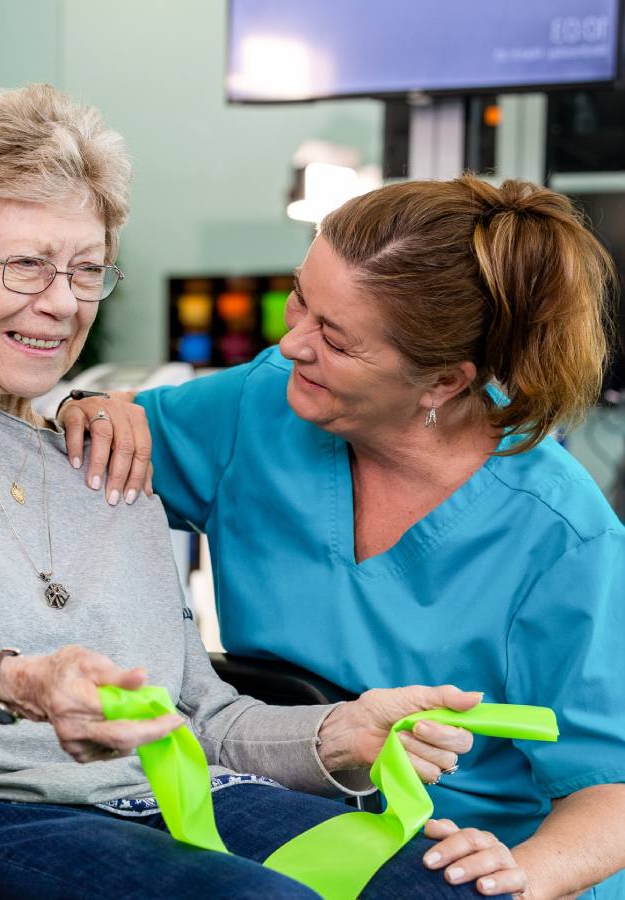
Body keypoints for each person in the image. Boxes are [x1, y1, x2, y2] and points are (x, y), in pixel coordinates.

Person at [0, 83, 491, 900]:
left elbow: (201, 721)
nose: (62, 303)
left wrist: (338, 731)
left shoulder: (109, 453)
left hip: (169, 797)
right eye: (26, 263)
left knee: (443, 888)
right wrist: (7, 681)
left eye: (87, 270)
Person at [59, 175, 625, 898]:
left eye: (336, 338)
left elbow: (612, 792)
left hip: (462, 856)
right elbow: (84, 448)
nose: (291, 343)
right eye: (301, 297)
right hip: (278, 825)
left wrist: (524, 874)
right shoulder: (260, 407)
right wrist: (93, 410)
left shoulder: (562, 538)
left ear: (444, 382)